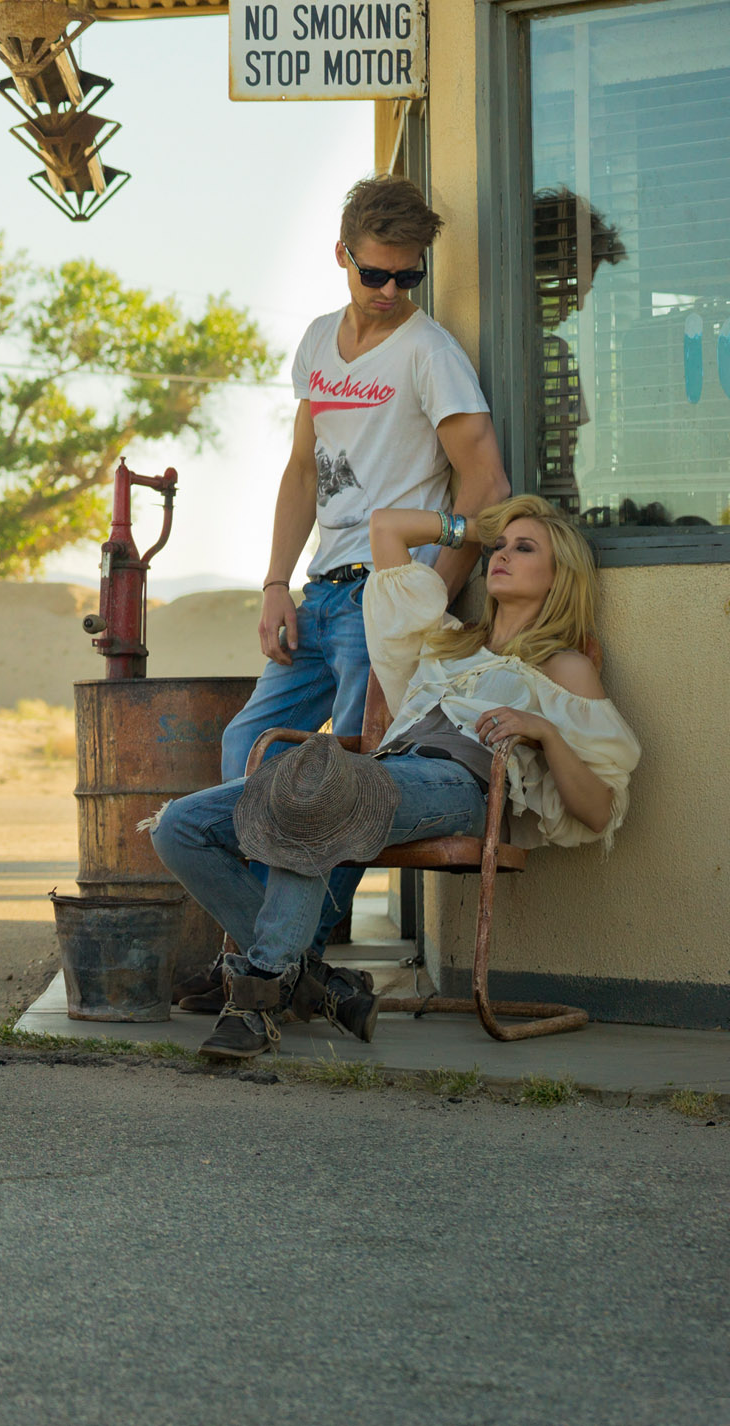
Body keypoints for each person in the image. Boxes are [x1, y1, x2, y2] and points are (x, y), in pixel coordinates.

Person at [153, 494, 641, 1062]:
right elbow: (385, 529)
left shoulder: (564, 666)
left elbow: (601, 808)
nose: (500, 554)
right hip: (384, 772)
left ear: (561, 576)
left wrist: (544, 732)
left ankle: (258, 998)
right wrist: (475, 526)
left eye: (524, 547)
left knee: (323, 790)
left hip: (459, 788)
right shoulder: (445, 638)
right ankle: (310, 979)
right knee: (179, 826)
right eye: (498, 546)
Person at [200, 175, 510, 980]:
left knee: (342, 773)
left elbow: (486, 485)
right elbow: (303, 469)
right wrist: (275, 583)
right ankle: (289, 954)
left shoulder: (432, 353)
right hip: (319, 592)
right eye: (375, 273)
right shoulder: (314, 342)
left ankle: (284, 956)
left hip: (386, 595)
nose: (390, 290)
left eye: (408, 276)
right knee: (247, 743)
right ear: (341, 256)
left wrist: (433, 586)